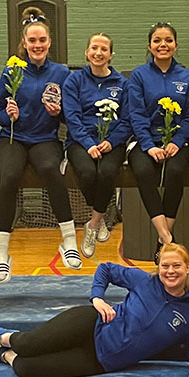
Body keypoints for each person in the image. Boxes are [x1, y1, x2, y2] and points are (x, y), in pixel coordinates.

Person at [0, 243, 189, 377]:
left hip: (101, 361)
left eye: (177, 265)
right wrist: (97, 298)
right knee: (28, 345)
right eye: (165, 266)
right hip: (93, 324)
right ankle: (2, 337)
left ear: (188, 268)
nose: (170, 271)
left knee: (26, 369)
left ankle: (4, 356)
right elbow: (105, 269)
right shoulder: (144, 281)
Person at [0, 7, 80, 282]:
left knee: (52, 171)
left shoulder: (62, 73)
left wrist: (58, 113)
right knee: (9, 177)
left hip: (45, 139)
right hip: (12, 138)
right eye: (32, 41)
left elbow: (70, 112)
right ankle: (1, 255)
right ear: (25, 43)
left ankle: (68, 241)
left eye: (42, 40)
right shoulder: (11, 71)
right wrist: (6, 114)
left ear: (49, 42)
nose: (37, 45)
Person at [126, 22, 189, 263]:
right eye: (157, 40)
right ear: (149, 46)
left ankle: (161, 242)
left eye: (168, 40)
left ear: (176, 45)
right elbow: (136, 113)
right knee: (143, 170)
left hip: (177, 143)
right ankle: (166, 236)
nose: (162, 45)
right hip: (145, 142)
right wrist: (148, 144)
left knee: (176, 171)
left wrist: (177, 141)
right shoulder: (139, 76)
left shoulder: (187, 76)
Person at [62, 33, 130, 258]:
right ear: (87, 52)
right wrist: (89, 144)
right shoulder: (74, 80)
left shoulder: (122, 84)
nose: (98, 53)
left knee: (108, 172)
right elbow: (72, 116)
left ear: (111, 54)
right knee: (88, 173)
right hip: (81, 142)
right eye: (94, 48)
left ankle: (92, 223)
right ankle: (99, 218)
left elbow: (128, 120)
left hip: (112, 142)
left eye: (103, 49)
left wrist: (111, 142)